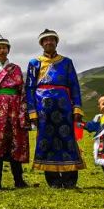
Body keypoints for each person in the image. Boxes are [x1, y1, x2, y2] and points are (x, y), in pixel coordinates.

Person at [26, 29, 85, 188]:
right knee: (47, 142)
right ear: (41, 43)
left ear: (56, 42)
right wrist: (32, 112)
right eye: (45, 40)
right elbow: (30, 88)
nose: (49, 42)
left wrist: (77, 108)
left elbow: (74, 86)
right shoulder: (34, 63)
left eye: (52, 39)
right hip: (43, 110)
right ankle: (53, 181)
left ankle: (70, 179)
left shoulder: (67, 62)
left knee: (68, 141)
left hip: (64, 107)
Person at [0, 35, 30, 190]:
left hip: (15, 108)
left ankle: (19, 180)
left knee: (15, 142)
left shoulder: (16, 68)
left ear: (8, 50)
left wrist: (23, 112)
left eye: (4, 47)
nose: (2, 50)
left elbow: (22, 90)